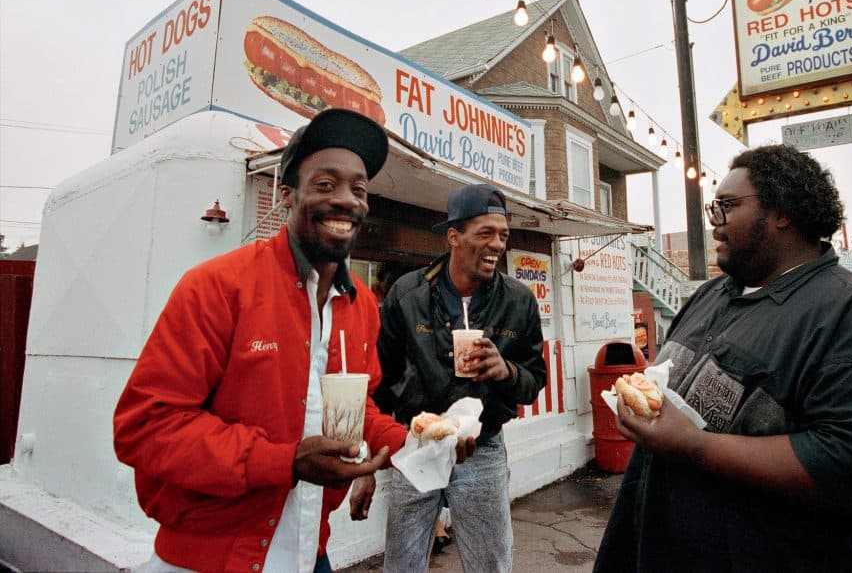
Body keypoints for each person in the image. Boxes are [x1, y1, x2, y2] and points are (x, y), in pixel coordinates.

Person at [595, 144, 852, 572]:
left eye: (727, 207)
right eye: (712, 209)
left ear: (782, 212)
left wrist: (697, 447)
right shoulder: (711, 296)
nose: (714, 225)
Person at [114, 109, 410, 573]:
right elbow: (145, 428)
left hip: (310, 550)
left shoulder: (362, 306)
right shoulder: (217, 286)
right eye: (326, 184)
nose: (347, 200)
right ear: (287, 196)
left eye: (359, 188)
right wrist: (285, 461)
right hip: (211, 557)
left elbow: (353, 408)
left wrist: (411, 444)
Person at [374, 183, 547, 572]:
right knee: (401, 563)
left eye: (503, 235)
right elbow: (381, 381)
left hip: (482, 448)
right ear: (454, 236)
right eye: (485, 233)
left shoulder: (518, 300)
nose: (497, 244)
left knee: (490, 564)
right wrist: (379, 455)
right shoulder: (408, 293)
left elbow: (535, 379)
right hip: (415, 444)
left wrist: (507, 372)